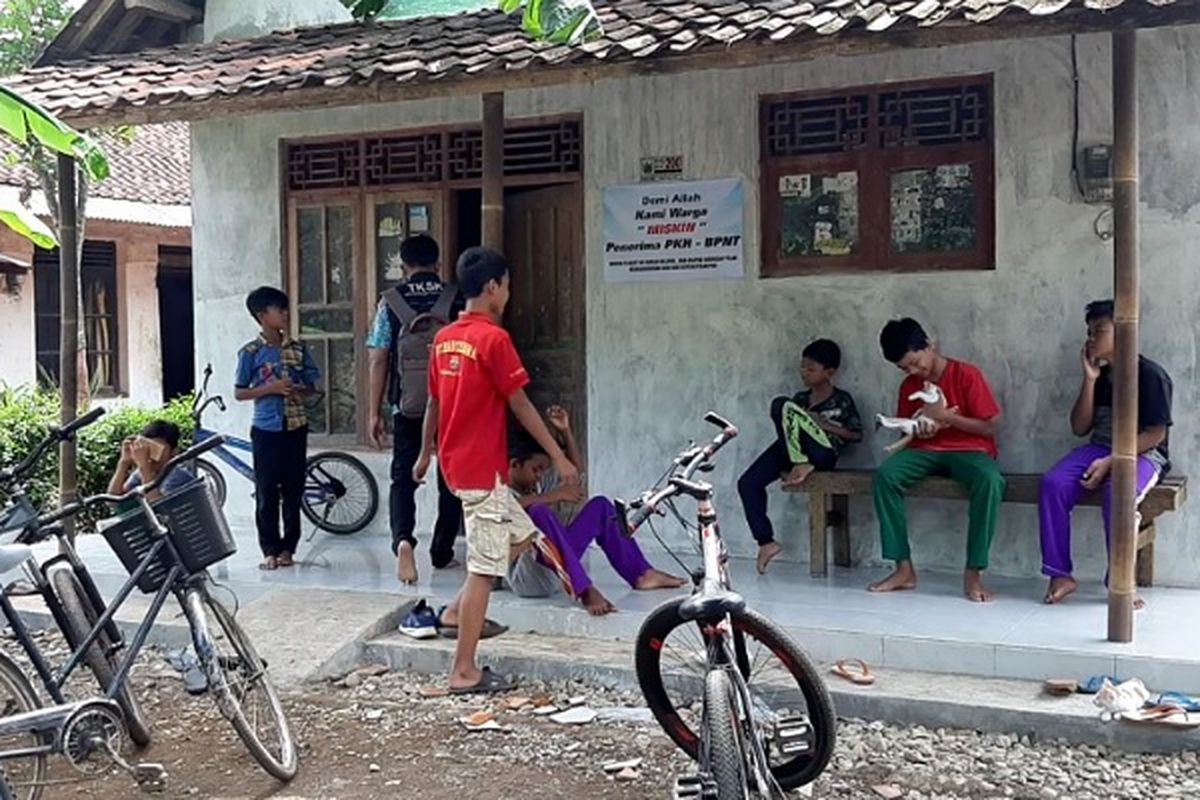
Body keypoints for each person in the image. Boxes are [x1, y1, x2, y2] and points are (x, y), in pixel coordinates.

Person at [414, 246, 578, 694]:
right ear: (492, 287)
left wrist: (425, 453)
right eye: (506, 285)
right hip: (482, 472)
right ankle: (464, 670)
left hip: (457, 466)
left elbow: (433, 401)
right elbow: (520, 403)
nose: (508, 293)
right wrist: (559, 456)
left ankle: (454, 612)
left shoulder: (444, 338)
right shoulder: (493, 339)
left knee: (524, 537)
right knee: (485, 568)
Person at [1039, 299, 1173, 607]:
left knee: (1118, 491)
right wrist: (1089, 380)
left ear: (1124, 332)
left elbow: (1156, 434)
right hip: (1098, 448)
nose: (1090, 338)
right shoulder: (1102, 376)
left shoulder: (1151, 375)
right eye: (1088, 332)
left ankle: (1121, 577)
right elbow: (1079, 426)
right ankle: (1060, 573)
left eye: (1099, 330)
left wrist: (1113, 460)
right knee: (1053, 483)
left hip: (1144, 454)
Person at [869, 318, 1004, 603]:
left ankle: (973, 572)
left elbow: (989, 427)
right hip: (924, 450)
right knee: (885, 476)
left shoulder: (966, 374)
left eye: (916, 362)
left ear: (930, 345)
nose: (914, 371)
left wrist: (947, 418)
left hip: (970, 450)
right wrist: (921, 430)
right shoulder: (909, 386)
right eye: (905, 368)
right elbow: (910, 427)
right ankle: (903, 569)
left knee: (991, 480)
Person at [506, 408, 685, 616]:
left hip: (559, 566)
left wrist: (566, 432)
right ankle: (585, 590)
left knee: (601, 506)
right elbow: (512, 509)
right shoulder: (497, 488)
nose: (539, 476)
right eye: (536, 469)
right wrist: (554, 496)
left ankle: (641, 574)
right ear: (515, 465)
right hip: (529, 581)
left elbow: (573, 473)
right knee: (538, 512)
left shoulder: (534, 485)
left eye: (542, 471)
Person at [366, 234, 466, 586]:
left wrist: (374, 412)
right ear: (438, 264)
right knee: (450, 477)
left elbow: (378, 357)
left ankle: (404, 541)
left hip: (405, 404)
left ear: (404, 266)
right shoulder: (456, 298)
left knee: (402, 477)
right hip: (453, 401)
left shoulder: (390, 302)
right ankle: (442, 550)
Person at [736, 339, 863, 574]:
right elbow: (787, 426)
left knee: (786, 408)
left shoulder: (841, 399)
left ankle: (802, 462)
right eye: (802, 367)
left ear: (830, 372)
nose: (804, 373)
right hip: (794, 449)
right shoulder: (800, 400)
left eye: (811, 369)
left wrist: (825, 426)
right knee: (748, 483)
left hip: (823, 453)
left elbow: (856, 435)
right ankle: (766, 542)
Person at [234, 286, 321, 571]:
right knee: (267, 491)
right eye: (278, 309)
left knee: (293, 490)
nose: (285, 313)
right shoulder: (250, 352)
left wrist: (300, 391)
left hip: (296, 426)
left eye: (286, 308)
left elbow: (314, 386)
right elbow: (239, 392)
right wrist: (269, 388)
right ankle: (269, 549)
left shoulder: (298, 349)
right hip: (266, 429)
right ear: (262, 316)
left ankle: (289, 548)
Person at [108, 420, 194, 500]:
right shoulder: (140, 473)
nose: (151, 455)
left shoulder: (177, 475)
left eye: (157, 449)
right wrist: (123, 463)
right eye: (148, 448)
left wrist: (144, 467)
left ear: (174, 452)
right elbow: (113, 501)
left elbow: (160, 506)